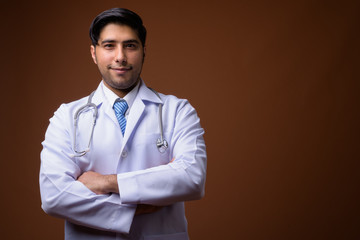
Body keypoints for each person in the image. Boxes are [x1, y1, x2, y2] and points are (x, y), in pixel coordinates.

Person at [39, 7, 207, 240]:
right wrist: (134, 208)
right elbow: (54, 196)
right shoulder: (67, 117)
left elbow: (191, 178)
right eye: (109, 46)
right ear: (94, 53)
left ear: (144, 51)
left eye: (130, 45)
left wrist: (106, 182)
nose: (120, 56)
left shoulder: (177, 111)